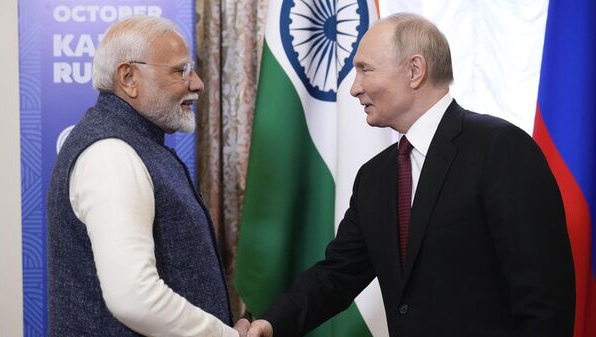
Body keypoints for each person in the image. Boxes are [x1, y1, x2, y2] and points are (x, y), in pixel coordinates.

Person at [244, 13, 575, 337]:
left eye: (365, 70)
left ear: (415, 70)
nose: (354, 89)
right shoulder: (375, 177)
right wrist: (272, 324)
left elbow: (544, 303)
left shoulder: (501, 149)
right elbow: (337, 274)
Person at [47, 16, 250, 337]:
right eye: (180, 70)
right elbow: (133, 297)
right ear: (128, 77)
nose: (197, 83)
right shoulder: (111, 153)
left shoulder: (135, 143)